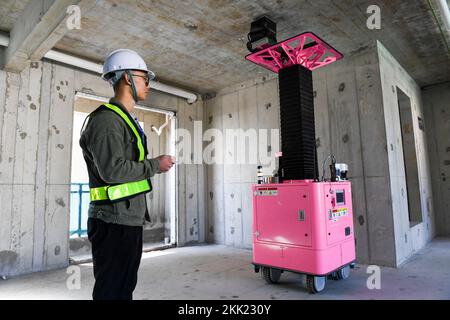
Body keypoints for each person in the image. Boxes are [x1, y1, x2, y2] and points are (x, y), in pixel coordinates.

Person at [79, 49, 175, 300]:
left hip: (126, 219)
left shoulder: (123, 120)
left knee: (123, 289)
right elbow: (112, 170)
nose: (148, 85)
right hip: (113, 221)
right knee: (112, 291)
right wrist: (155, 165)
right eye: (145, 78)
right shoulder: (106, 121)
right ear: (126, 78)